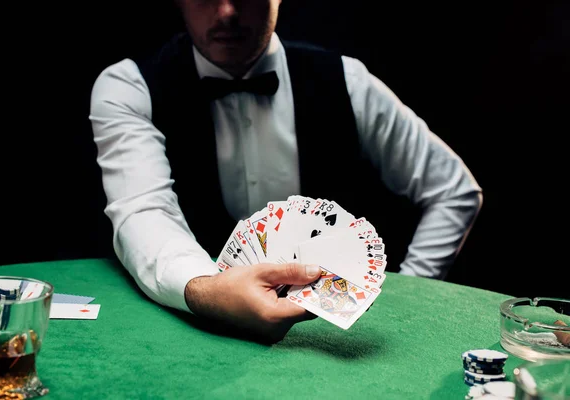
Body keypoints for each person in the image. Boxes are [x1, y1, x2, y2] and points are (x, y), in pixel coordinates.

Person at [89, 0, 483, 341]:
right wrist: (206, 290)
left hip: (332, 344)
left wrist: (409, 290)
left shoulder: (346, 80)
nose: (227, 11)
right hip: (185, 329)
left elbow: (454, 189)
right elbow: (143, 213)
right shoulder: (128, 87)